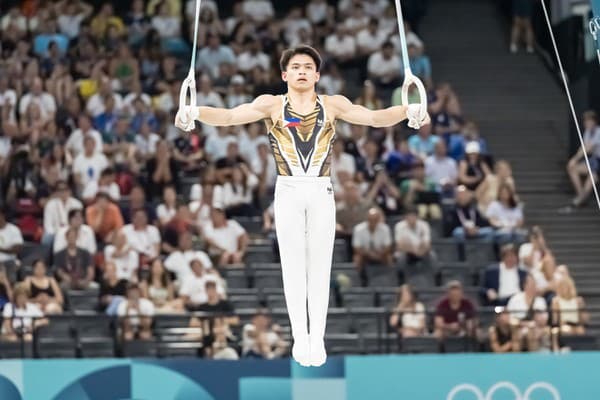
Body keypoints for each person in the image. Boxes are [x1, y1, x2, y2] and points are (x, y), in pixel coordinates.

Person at [175, 45, 429, 367]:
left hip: (321, 191)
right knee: (293, 267)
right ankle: (300, 336)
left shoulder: (333, 105)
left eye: (308, 67)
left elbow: (376, 118)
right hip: (289, 190)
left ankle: (317, 338)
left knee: (320, 267)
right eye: (295, 67)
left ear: (317, 75)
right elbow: (227, 117)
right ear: (284, 75)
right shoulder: (272, 105)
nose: (302, 71)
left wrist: (410, 110)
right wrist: (193, 112)